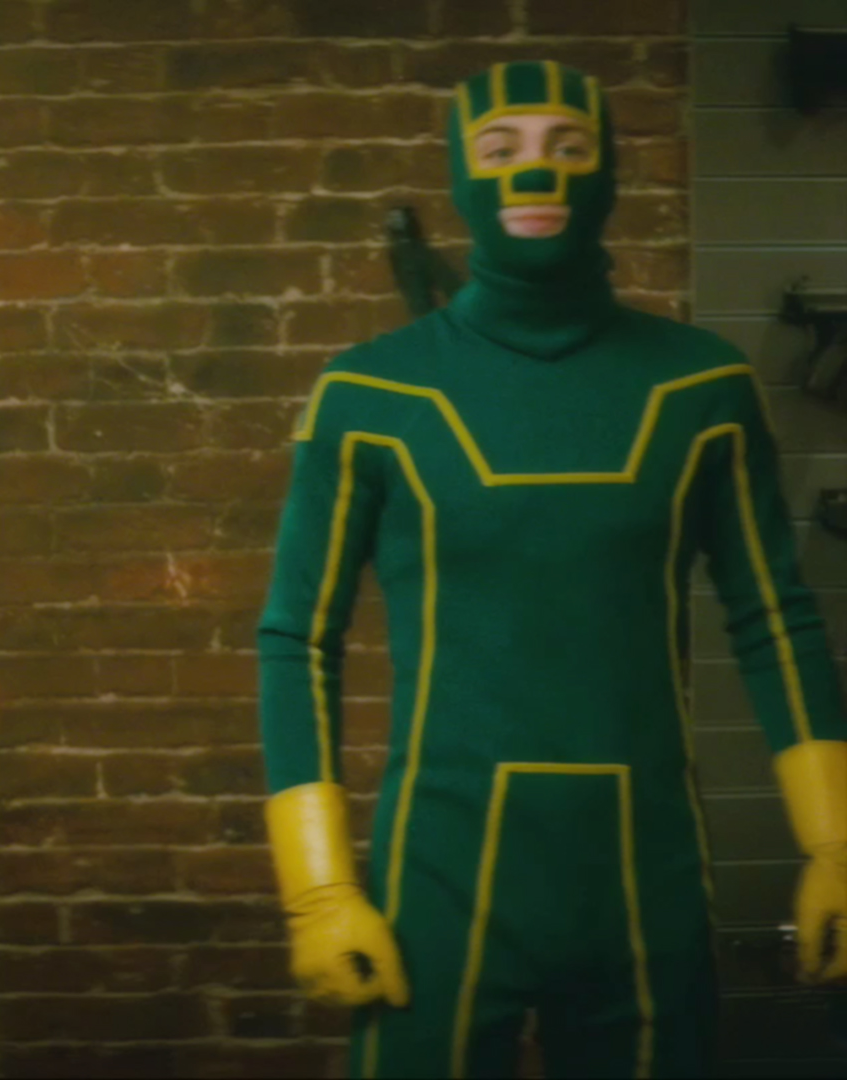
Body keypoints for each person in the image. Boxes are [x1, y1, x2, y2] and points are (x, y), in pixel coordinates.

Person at [258, 60, 847, 1078]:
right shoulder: (370, 395)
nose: (536, 176)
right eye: (500, 149)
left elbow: (774, 618)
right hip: (436, 878)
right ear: (461, 172)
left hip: (647, 879)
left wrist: (836, 843)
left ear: (608, 170)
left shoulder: (700, 387)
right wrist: (315, 889)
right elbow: (297, 639)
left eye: (568, 147)